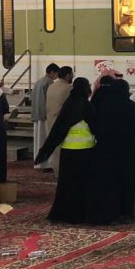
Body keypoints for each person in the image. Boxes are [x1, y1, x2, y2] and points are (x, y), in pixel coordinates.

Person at [35, 77, 97, 224]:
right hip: (85, 151)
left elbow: (58, 129)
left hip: (68, 151)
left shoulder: (68, 105)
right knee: (82, 184)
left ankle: (64, 214)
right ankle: (80, 215)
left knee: (67, 184)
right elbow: (96, 126)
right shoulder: (87, 106)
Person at [92, 79, 135, 223]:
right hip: (128, 150)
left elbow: (96, 126)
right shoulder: (131, 106)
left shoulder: (104, 106)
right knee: (129, 182)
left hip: (107, 151)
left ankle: (111, 211)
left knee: (110, 182)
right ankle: (126, 212)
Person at [45, 65, 74, 176]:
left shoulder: (51, 86)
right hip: (62, 123)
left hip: (51, 121)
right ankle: (64, 174)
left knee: (56, 150)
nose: (73, 76)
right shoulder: (68, 88)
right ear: (67, 75)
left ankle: (57, 172)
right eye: (71, 74)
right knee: (64, 150)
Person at [31, 63, 59, 171]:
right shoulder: (49, 82)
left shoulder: (38, 82)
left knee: (38, 141)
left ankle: (38, 163)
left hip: (36, 114)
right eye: (56, 74)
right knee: (45, 140)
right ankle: (47, 164)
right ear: (52, 72)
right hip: (45, 116)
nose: (56, 77)